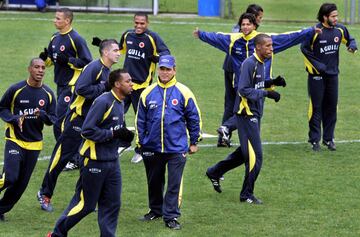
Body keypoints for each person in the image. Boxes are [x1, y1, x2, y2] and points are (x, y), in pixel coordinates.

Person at [194, 14, 319, 148]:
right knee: (250, 115)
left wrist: (310, 31)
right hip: (243, 88)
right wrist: (201, 34)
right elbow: (216, 37)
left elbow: (290, 37)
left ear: (254, 25)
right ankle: (233, 132)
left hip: (260, 85)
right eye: (243, 24)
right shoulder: (233, 40)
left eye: (248, 24)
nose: (245, 27)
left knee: (251, 115)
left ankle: (237, 137)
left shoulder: (264, 40)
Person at [47, 69, 134, 237]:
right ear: (117, 84)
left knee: (112, 204)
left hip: (112, 162)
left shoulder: (120, 102)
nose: (132, 84)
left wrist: (124, 138)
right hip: (94, 161)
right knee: (86, 205)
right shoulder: (103, 101)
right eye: (128, 81)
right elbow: (87, 130)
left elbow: (113, 128)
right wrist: (113, 134)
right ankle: (57, 233)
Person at [37, 39, 121, 212]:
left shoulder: (107, 70)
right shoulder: (94, 68)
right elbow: (81, 89)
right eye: (115, 50)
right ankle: (44, 193)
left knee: (88, 161)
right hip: (78, 120)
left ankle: (86, 199)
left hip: (92, 123)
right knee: (61, 158)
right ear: (105, 52)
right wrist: (104, 87)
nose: (119, 53)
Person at [208, 34, 281, 204]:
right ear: (258, 47)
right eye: (268, 46)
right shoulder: (249, 63)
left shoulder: (261, 63)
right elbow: (243, 90)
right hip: (246, 114)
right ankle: (246, 194)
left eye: (271, 45)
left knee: (244, 152)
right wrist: (267, 93)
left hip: (254, 113)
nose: (271, 48)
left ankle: (215, 171)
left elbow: (257, 83)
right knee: (256, 156)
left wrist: (272, 82)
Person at [136, 55, 202, 229]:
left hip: (176, 148)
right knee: (154, 182)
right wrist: (141, 143)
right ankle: (155, 210)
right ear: (158, 69)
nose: (165, 72)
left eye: (168, 69)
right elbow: (140, 120)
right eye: (162, 69)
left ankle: (171, 216)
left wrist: (194, 141)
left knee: (174, 183)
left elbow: (194, 118)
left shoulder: (184, 92)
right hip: (152, 147)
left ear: (174, 70)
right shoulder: (147, 92)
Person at [0, 58, 56, 221]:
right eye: (37, 67)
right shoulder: (16, 89)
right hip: (15, 140)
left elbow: (52, 119)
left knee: (20, 186)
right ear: (29, 69)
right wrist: (14, 118)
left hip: (34, 145)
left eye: (43, 68)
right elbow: (2, 108)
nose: (40, 70)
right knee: (10, 177)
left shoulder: (48, 94)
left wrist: (43, 115)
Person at [301, 3, 357, 151]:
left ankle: (329, 138)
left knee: (331, 107)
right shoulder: (315, 31)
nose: (336, 18)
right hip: (316, 77)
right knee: (316, 107)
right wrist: (317, 65)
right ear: (325, 17)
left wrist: (352, 46)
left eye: (337, 15)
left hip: (333, 76)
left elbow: (350, 39)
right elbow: (304, 49)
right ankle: (314, 140)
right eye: (333, 16)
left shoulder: (340, 29)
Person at [119, 12, 171, 163]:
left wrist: (157, 58)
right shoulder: (128, 35)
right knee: (116, 112)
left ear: (147, 24)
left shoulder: (152, 38)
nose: (138, 26)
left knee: (141, 119)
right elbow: (120, 49)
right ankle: (123, 142)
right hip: (124, 83)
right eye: (136, 22)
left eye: (142, 23)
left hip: (142, 85)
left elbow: (166, 54)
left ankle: (141, 149)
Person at [39, 8, 92, 144]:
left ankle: (68, 155)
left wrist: (68, 61)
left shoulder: (76, 39)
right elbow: (52, 60)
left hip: (72, 85)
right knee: (65, 120)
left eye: (58, 18)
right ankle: (70, 153)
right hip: (60, 84)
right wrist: (45, 59)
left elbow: (87, 62)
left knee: (59, 121)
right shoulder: (55, 37)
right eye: (55, 17)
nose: (54, 20)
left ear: (67, 21)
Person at [218, 4, 263, 147]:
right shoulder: (240, 31)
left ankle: (227, 135)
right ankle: (225, 135)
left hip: (237, 71)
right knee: (233, 104)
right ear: (254, 17)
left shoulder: (249, 30)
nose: (261, 20)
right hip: (234, 71)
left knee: (237, 104)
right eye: (260, 17)